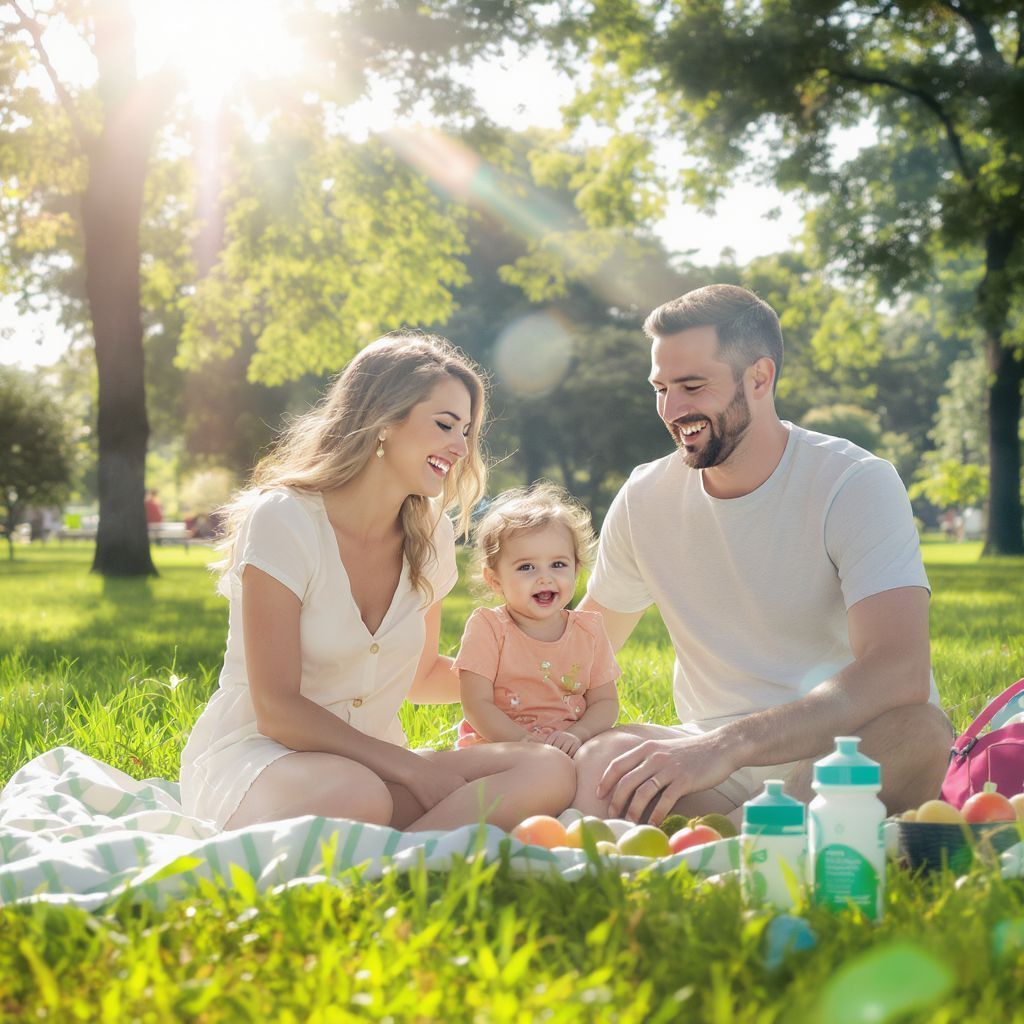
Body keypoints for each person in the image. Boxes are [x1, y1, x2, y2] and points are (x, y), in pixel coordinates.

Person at [572, 284, 951, 825]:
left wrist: (728, 745)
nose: (672, 409)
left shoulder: (854, 482)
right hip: (708, 761)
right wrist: (511, 711)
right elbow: (587, 645)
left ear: (759, 376)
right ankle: (751, 839)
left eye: (692, 385)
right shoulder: (645, 496)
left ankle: (735, 843)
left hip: (841, 749)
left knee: (919, 729)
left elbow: (899, 670)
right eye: (660, 388)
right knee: (600, 756)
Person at [180, 334, 575, 832]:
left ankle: (403, 857)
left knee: (545, 768)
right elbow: (278, 711)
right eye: (445, 425)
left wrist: (527, 670)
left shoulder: (431, 532)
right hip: (262, 762)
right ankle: (416, 843)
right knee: (355, 794)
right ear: (385, 421)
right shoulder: (285, 519)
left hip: (375, 770)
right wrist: (411, 770)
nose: (461, 447)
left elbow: (423, 675)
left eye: (468, 432)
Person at [455, 482, 621, 756]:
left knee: (621, 750)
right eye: (526, 567)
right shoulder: (489, 628)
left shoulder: (588, 631)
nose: (545, 577)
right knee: (543, 772)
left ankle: (574, 796)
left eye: (558, 564)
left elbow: (605, 702)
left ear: (576, 569)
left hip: (571, 743)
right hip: (501, 747)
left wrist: (578, 734)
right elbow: (476, 704)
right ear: (495, 580)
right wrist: (525, 742)